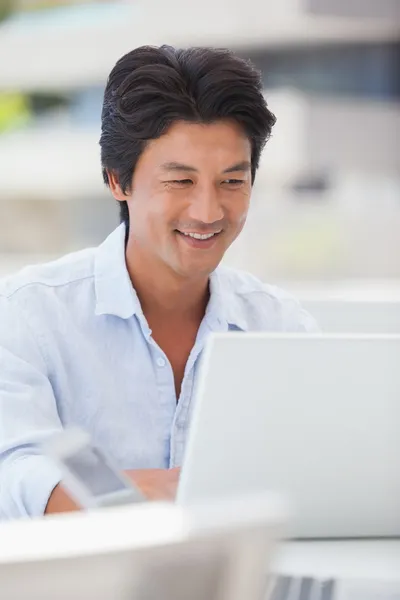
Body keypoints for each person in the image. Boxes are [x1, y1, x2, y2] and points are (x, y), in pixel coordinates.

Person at [0, 45, 317, 520]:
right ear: (117, 181)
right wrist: (147, 495)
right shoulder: (29, 314)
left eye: (232, 181)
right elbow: (14, 474)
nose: (208, 212)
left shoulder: (281, 326)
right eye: (180, 182)